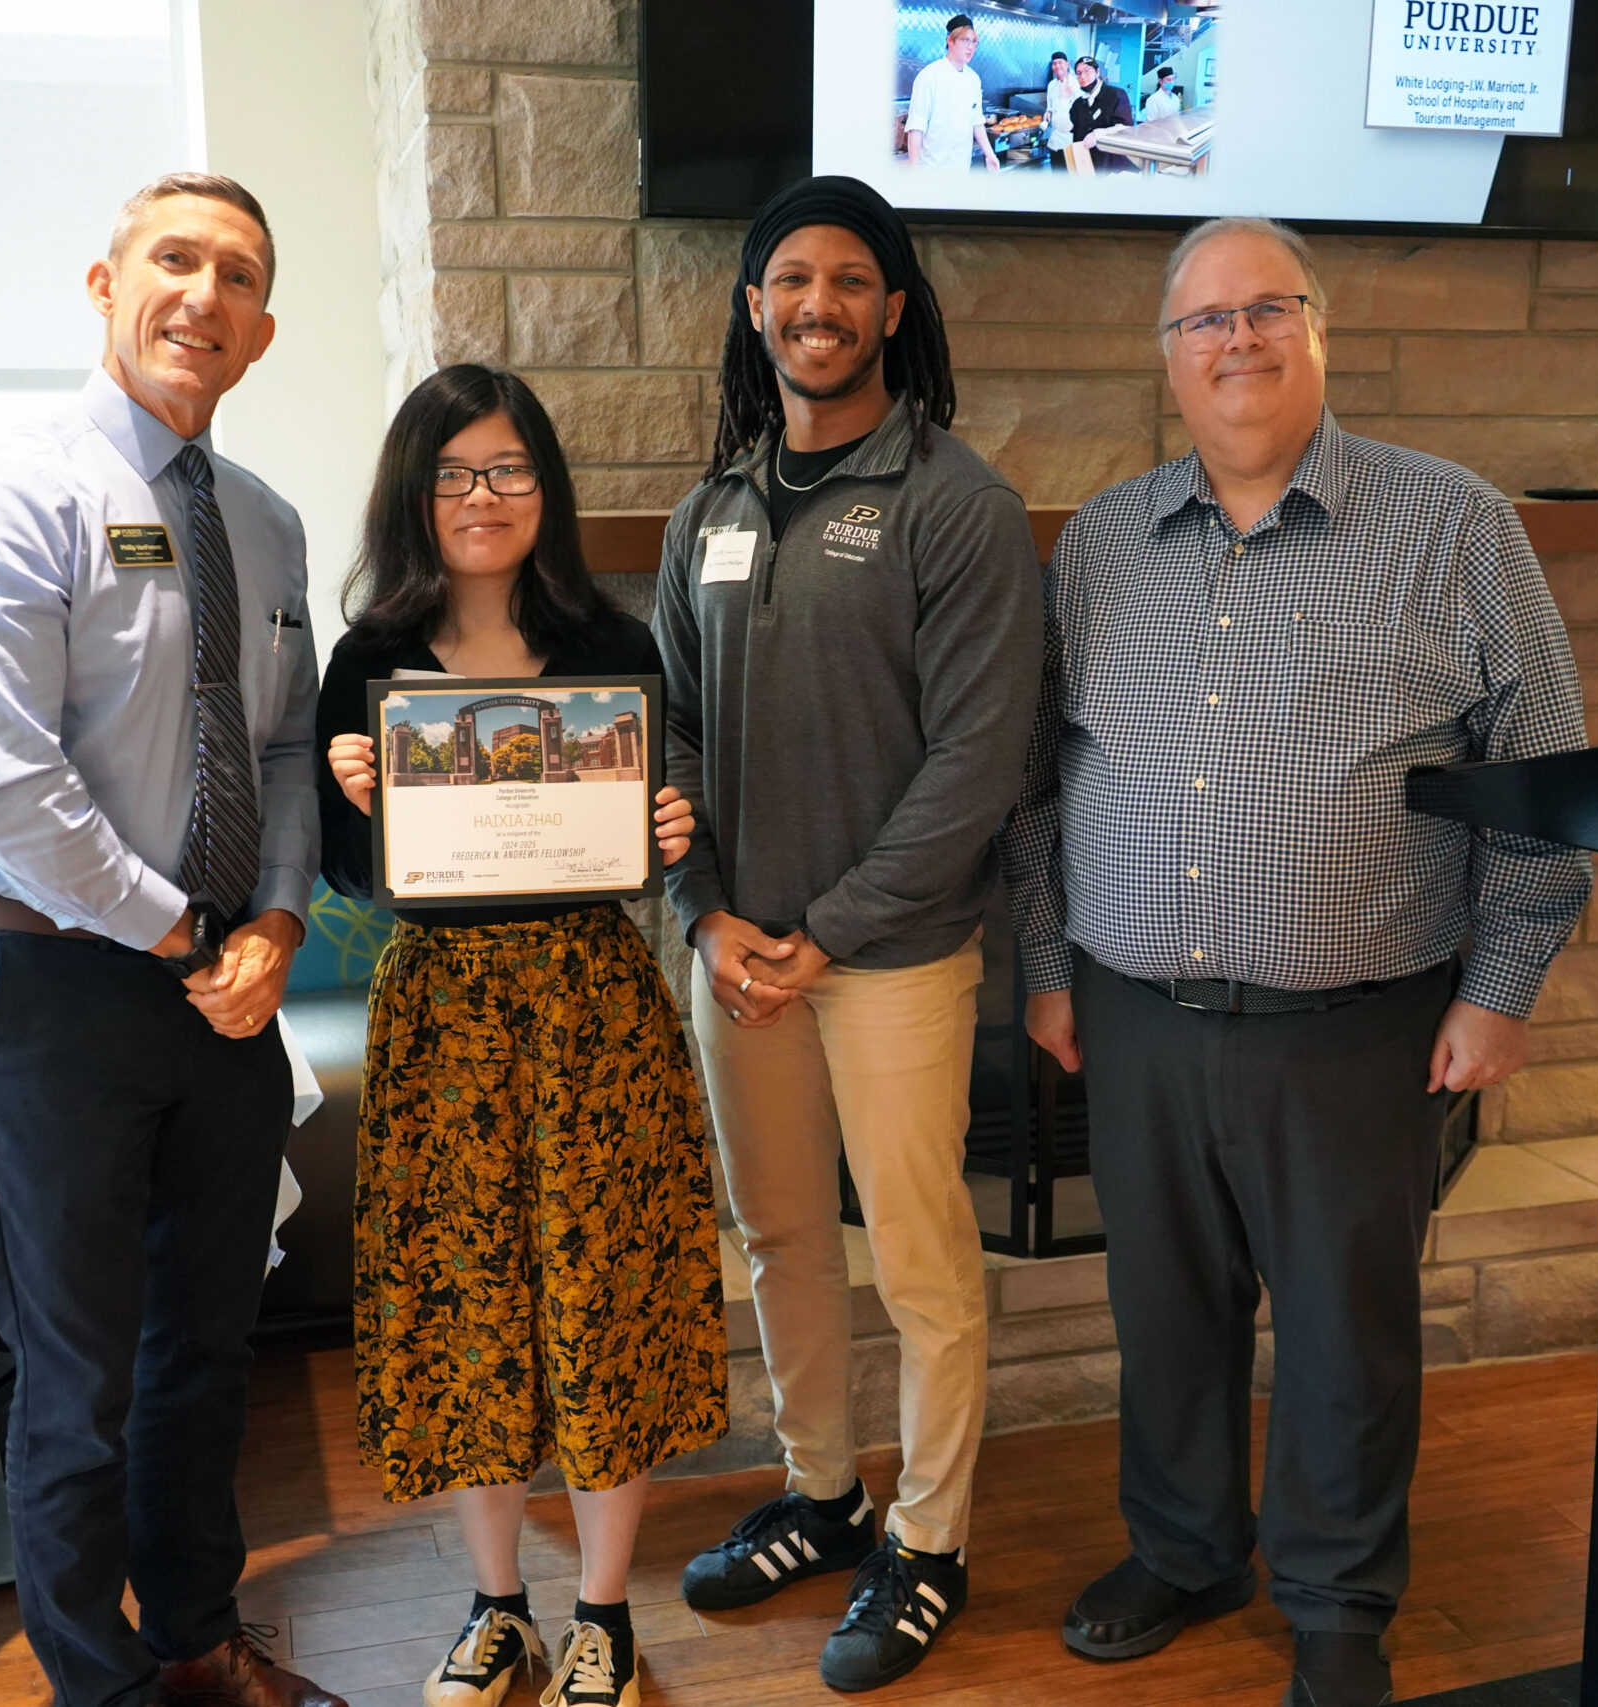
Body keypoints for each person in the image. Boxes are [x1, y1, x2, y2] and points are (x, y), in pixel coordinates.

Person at [999, 216, 1592, 1707]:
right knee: (1166, 1314)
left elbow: (1547, 766)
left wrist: (1502, 985)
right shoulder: (1104, 544)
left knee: (1344, 1328)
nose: (1238, 341)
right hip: (1135, 1014)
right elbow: (1037, 775)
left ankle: (1336, 1597)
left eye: (1269, 310)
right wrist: (1051, 968)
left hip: (1358, 1023)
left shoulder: (1454, 526)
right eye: (1205, 321)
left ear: (1320, 332)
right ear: (1169, 360)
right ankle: (1188, 1548)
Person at [0, 173, 343, 1707]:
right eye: (175, 259)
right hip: (54, 987)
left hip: (226, 989)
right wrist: (183, 931)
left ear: (264, 331)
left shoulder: (271, 526)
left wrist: (280, 919)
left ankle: (195, 1642)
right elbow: (6, 779)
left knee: (207, 1352)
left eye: (237, 275)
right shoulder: (14, 491)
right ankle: (96, 1688)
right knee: (79, 1378)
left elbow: (286, 750)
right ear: (102, 284)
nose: (203, 295)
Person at [654, 175, 1043, 1693]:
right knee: (780, 1236)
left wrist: (825, 931)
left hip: (888, 962)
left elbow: (980, 759)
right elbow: (668, 734)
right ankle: (824, 1494)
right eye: (788, 280)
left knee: (924, 1258)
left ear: (892, 308)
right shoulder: (711, 510)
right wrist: (706, 913)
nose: (817, 303)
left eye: (849, 279)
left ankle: (930, 1535)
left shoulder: (957, 500)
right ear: (755, 310)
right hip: (736, 957)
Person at [319, 364, 728, 1707]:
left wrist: (672, 832)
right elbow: (344, 871)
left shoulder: (615, 650)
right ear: (413, 495)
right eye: (452, 473)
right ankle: (498, 1606)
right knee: (467, 1304)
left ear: (543, 489)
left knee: (608, 1297)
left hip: (593, 1012)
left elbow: (644, 845)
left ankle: (603, 1610)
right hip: (442, 1012)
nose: (481, 497)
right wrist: (351, 792)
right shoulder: (368, 664)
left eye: (506, 470)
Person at [905, 14, 1000, 173]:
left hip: (962, 169)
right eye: (965, 40)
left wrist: (990, 155)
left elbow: (976, 121)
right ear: (950, 40)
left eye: (974, 42)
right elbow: (916, 126)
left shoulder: (974, 79)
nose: (971, 47)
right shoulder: (929, 76)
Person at [1070, 57, 1139, 172]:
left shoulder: (1116, 95)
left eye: (1087, 71)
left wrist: (1097, 134)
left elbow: (1124, 127)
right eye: (1079, 73)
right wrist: (1064, 99)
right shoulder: (1079, 103)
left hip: (1113, 163)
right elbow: (1072, 129)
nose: (1082, 76)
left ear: (1097, 72)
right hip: (1088, 163)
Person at [1043, 51, 1084, 170]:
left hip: (1070, 139)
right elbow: (1050, 106)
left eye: (1060, 63)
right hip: (1055, 138)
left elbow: (1082, 110)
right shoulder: (1051, 85)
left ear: (1067, 64)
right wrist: (1048, 112)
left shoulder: (1076, 84)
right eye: (1054, 64)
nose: (1057, 66)